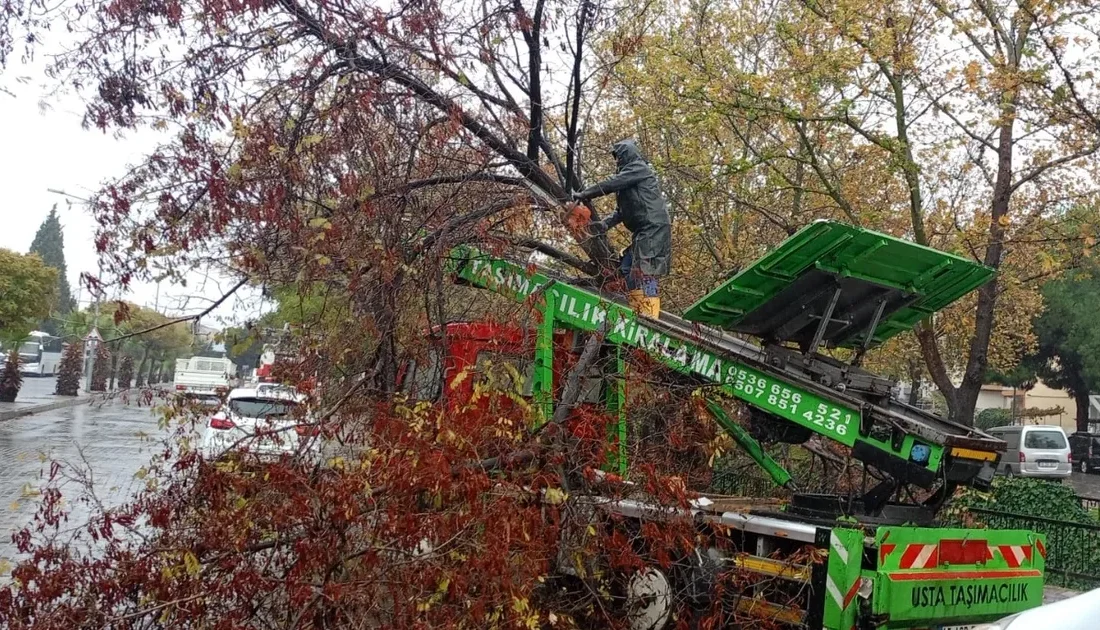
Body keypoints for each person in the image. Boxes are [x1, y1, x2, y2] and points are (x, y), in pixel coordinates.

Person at [571, 139, 671, 318]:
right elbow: (621, 211)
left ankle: (649, 315)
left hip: (653, 228)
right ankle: (637, 308)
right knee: (627, 268)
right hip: (642, 231)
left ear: (627, 155)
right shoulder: (629, 179)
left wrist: (584, 194)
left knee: (646, 271)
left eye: (619, 157)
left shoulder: (639, 169)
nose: (617, 161)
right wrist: (605, 224)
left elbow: (611, 184)